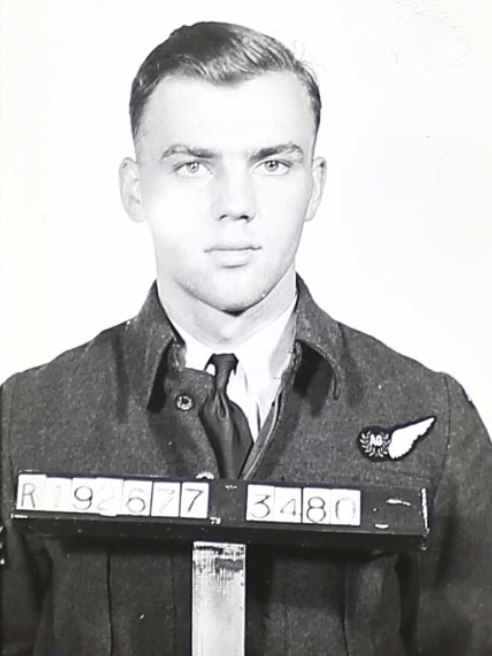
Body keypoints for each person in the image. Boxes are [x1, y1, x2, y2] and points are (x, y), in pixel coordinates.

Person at [1, 20, 491, 656]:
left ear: (315, 184)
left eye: (273, 163)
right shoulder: (26, 420)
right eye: (193, 165)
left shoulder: (431, 421)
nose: (236, 204)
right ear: (134, 188)